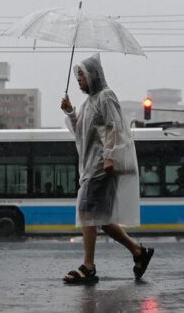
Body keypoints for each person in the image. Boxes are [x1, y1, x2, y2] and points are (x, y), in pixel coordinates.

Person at [60, 53, 154, 284]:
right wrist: (71, 112)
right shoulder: (89, 102)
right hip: (90, 166)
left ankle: (88, 266)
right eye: (77, 75)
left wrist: (110, 157)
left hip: (100, 166)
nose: (78, 79)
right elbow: (80, 133)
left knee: (87, 212)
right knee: (100, 218)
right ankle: (138, 252)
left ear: (93, 75)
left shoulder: (106, 96)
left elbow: (114, 126)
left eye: (81, 74)